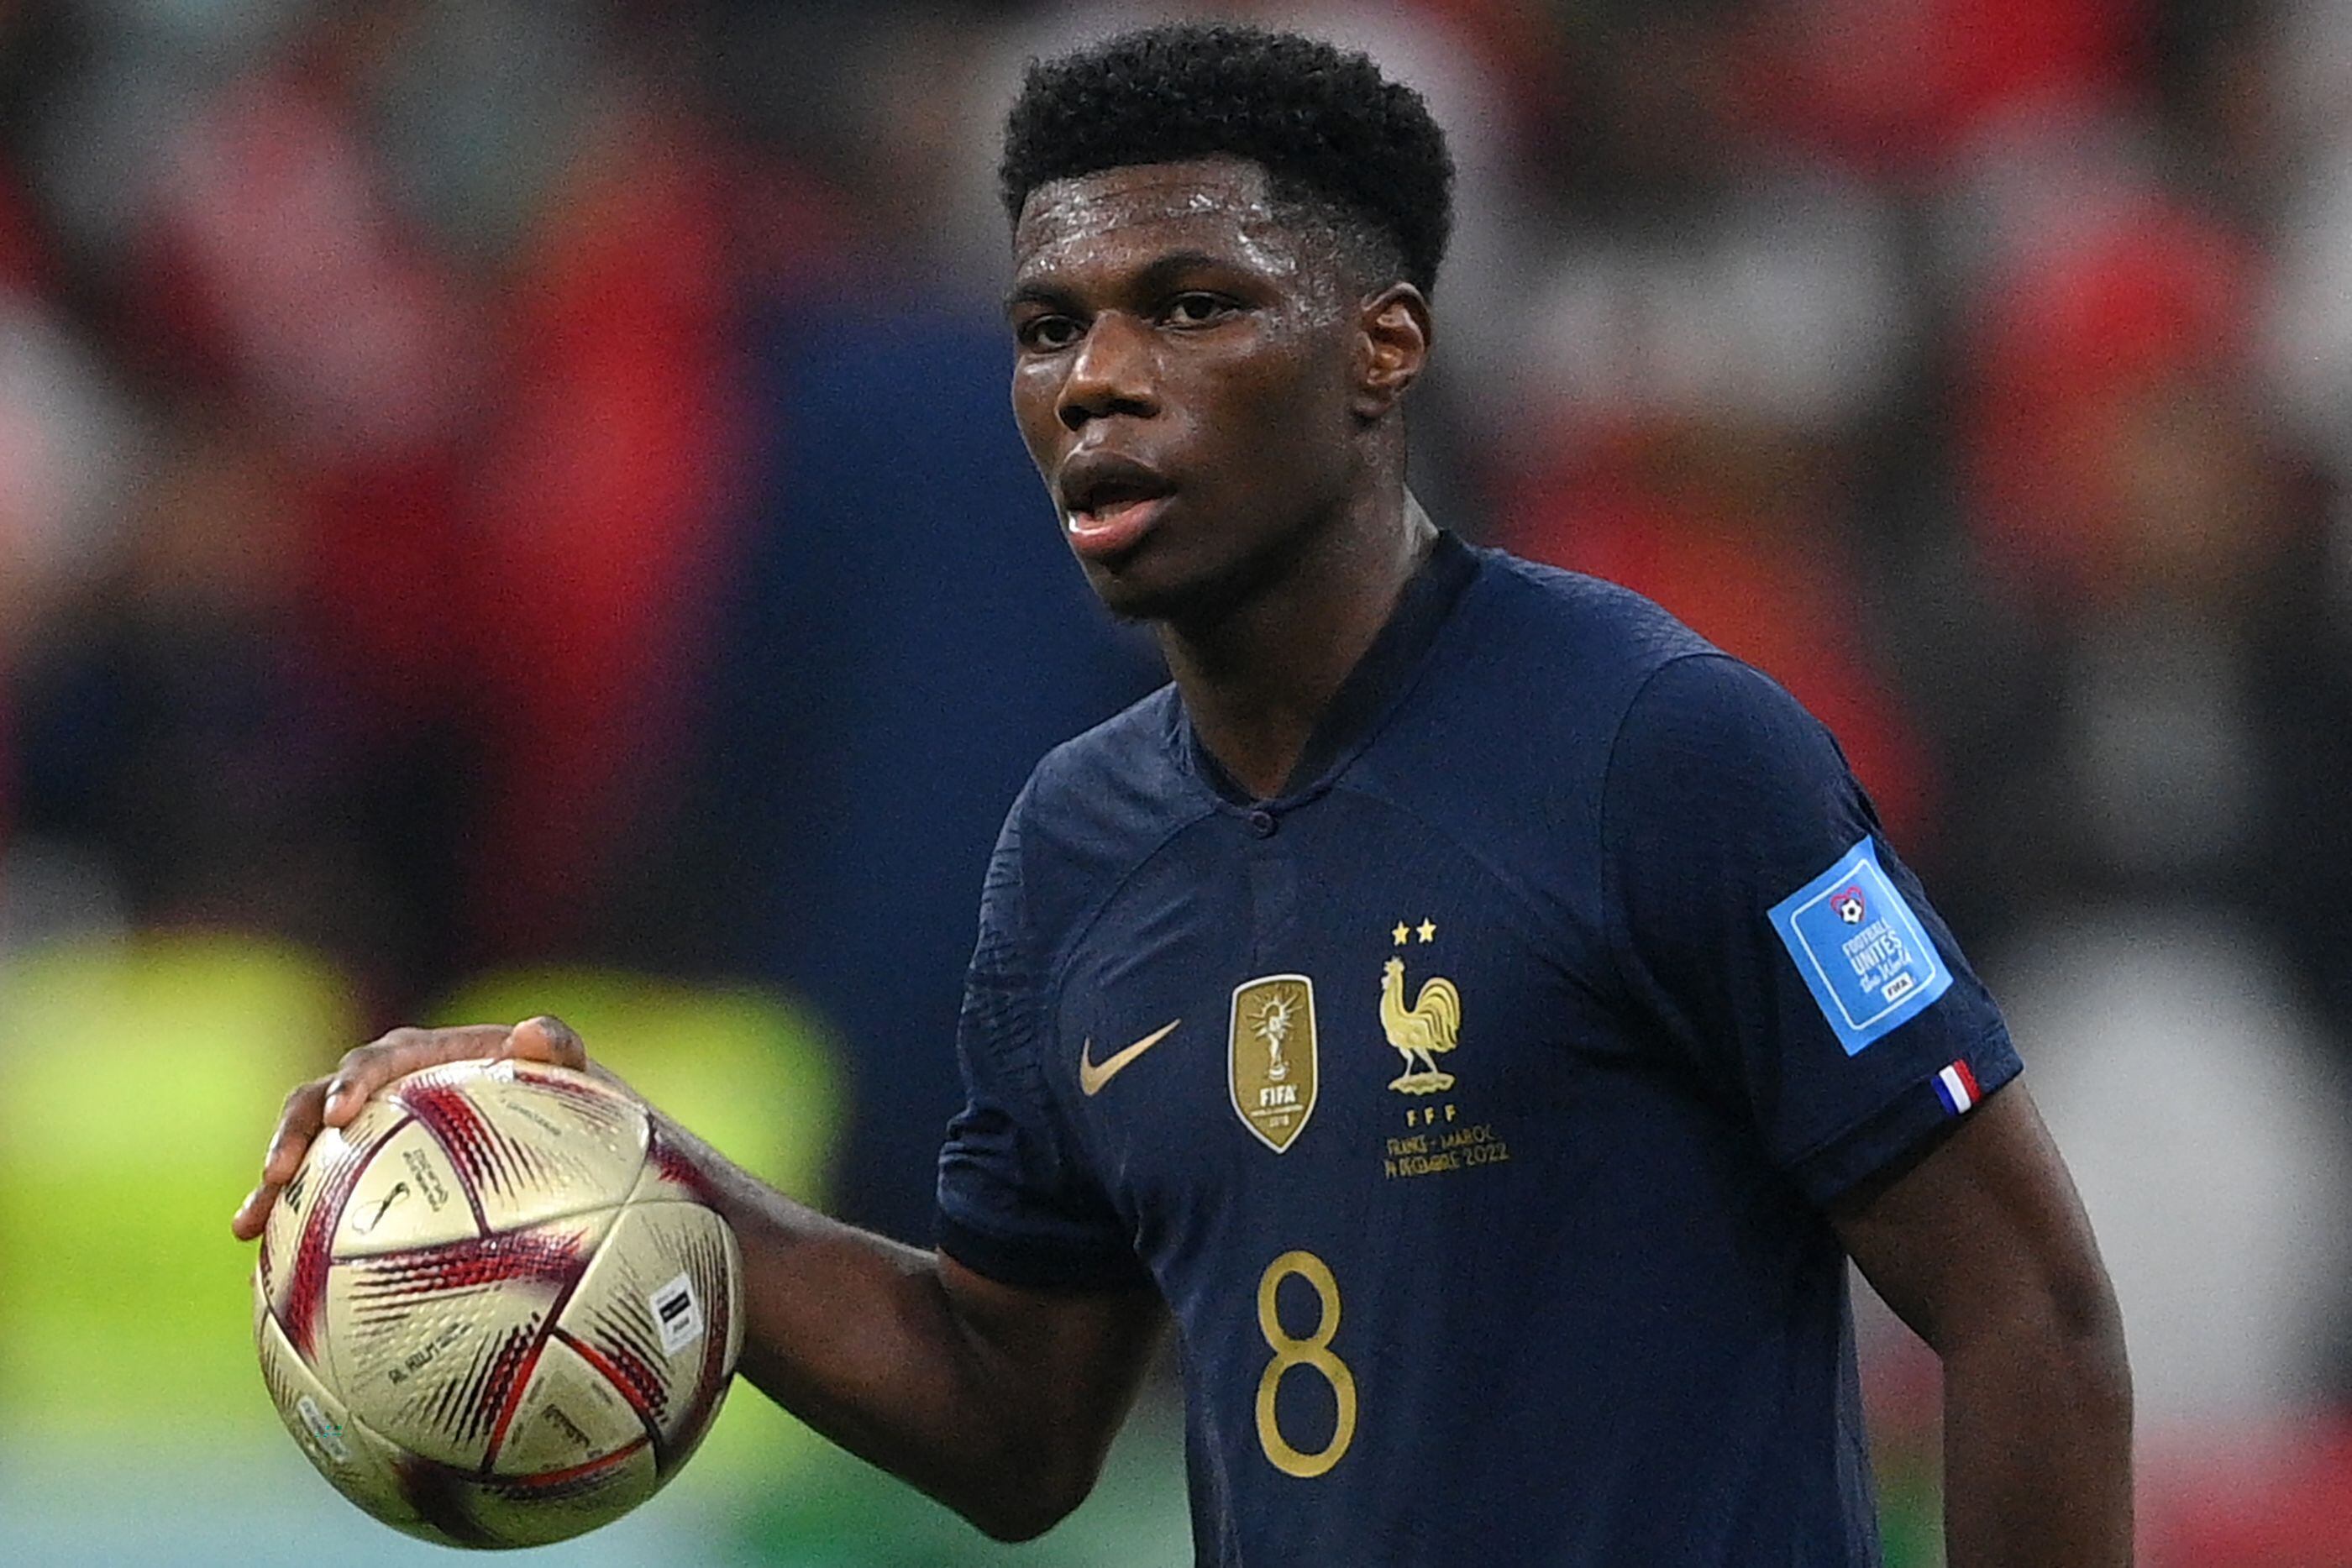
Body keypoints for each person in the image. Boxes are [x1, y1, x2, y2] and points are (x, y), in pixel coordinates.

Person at [233, 24, 2131, 1565]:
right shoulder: (1073, 853)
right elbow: (1014, 1416)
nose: (1098, 383)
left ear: (1381, 350)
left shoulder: (1662, 749)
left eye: (1193, 306)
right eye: (1050, 326)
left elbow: (2028, 1313)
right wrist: (640, 1168)